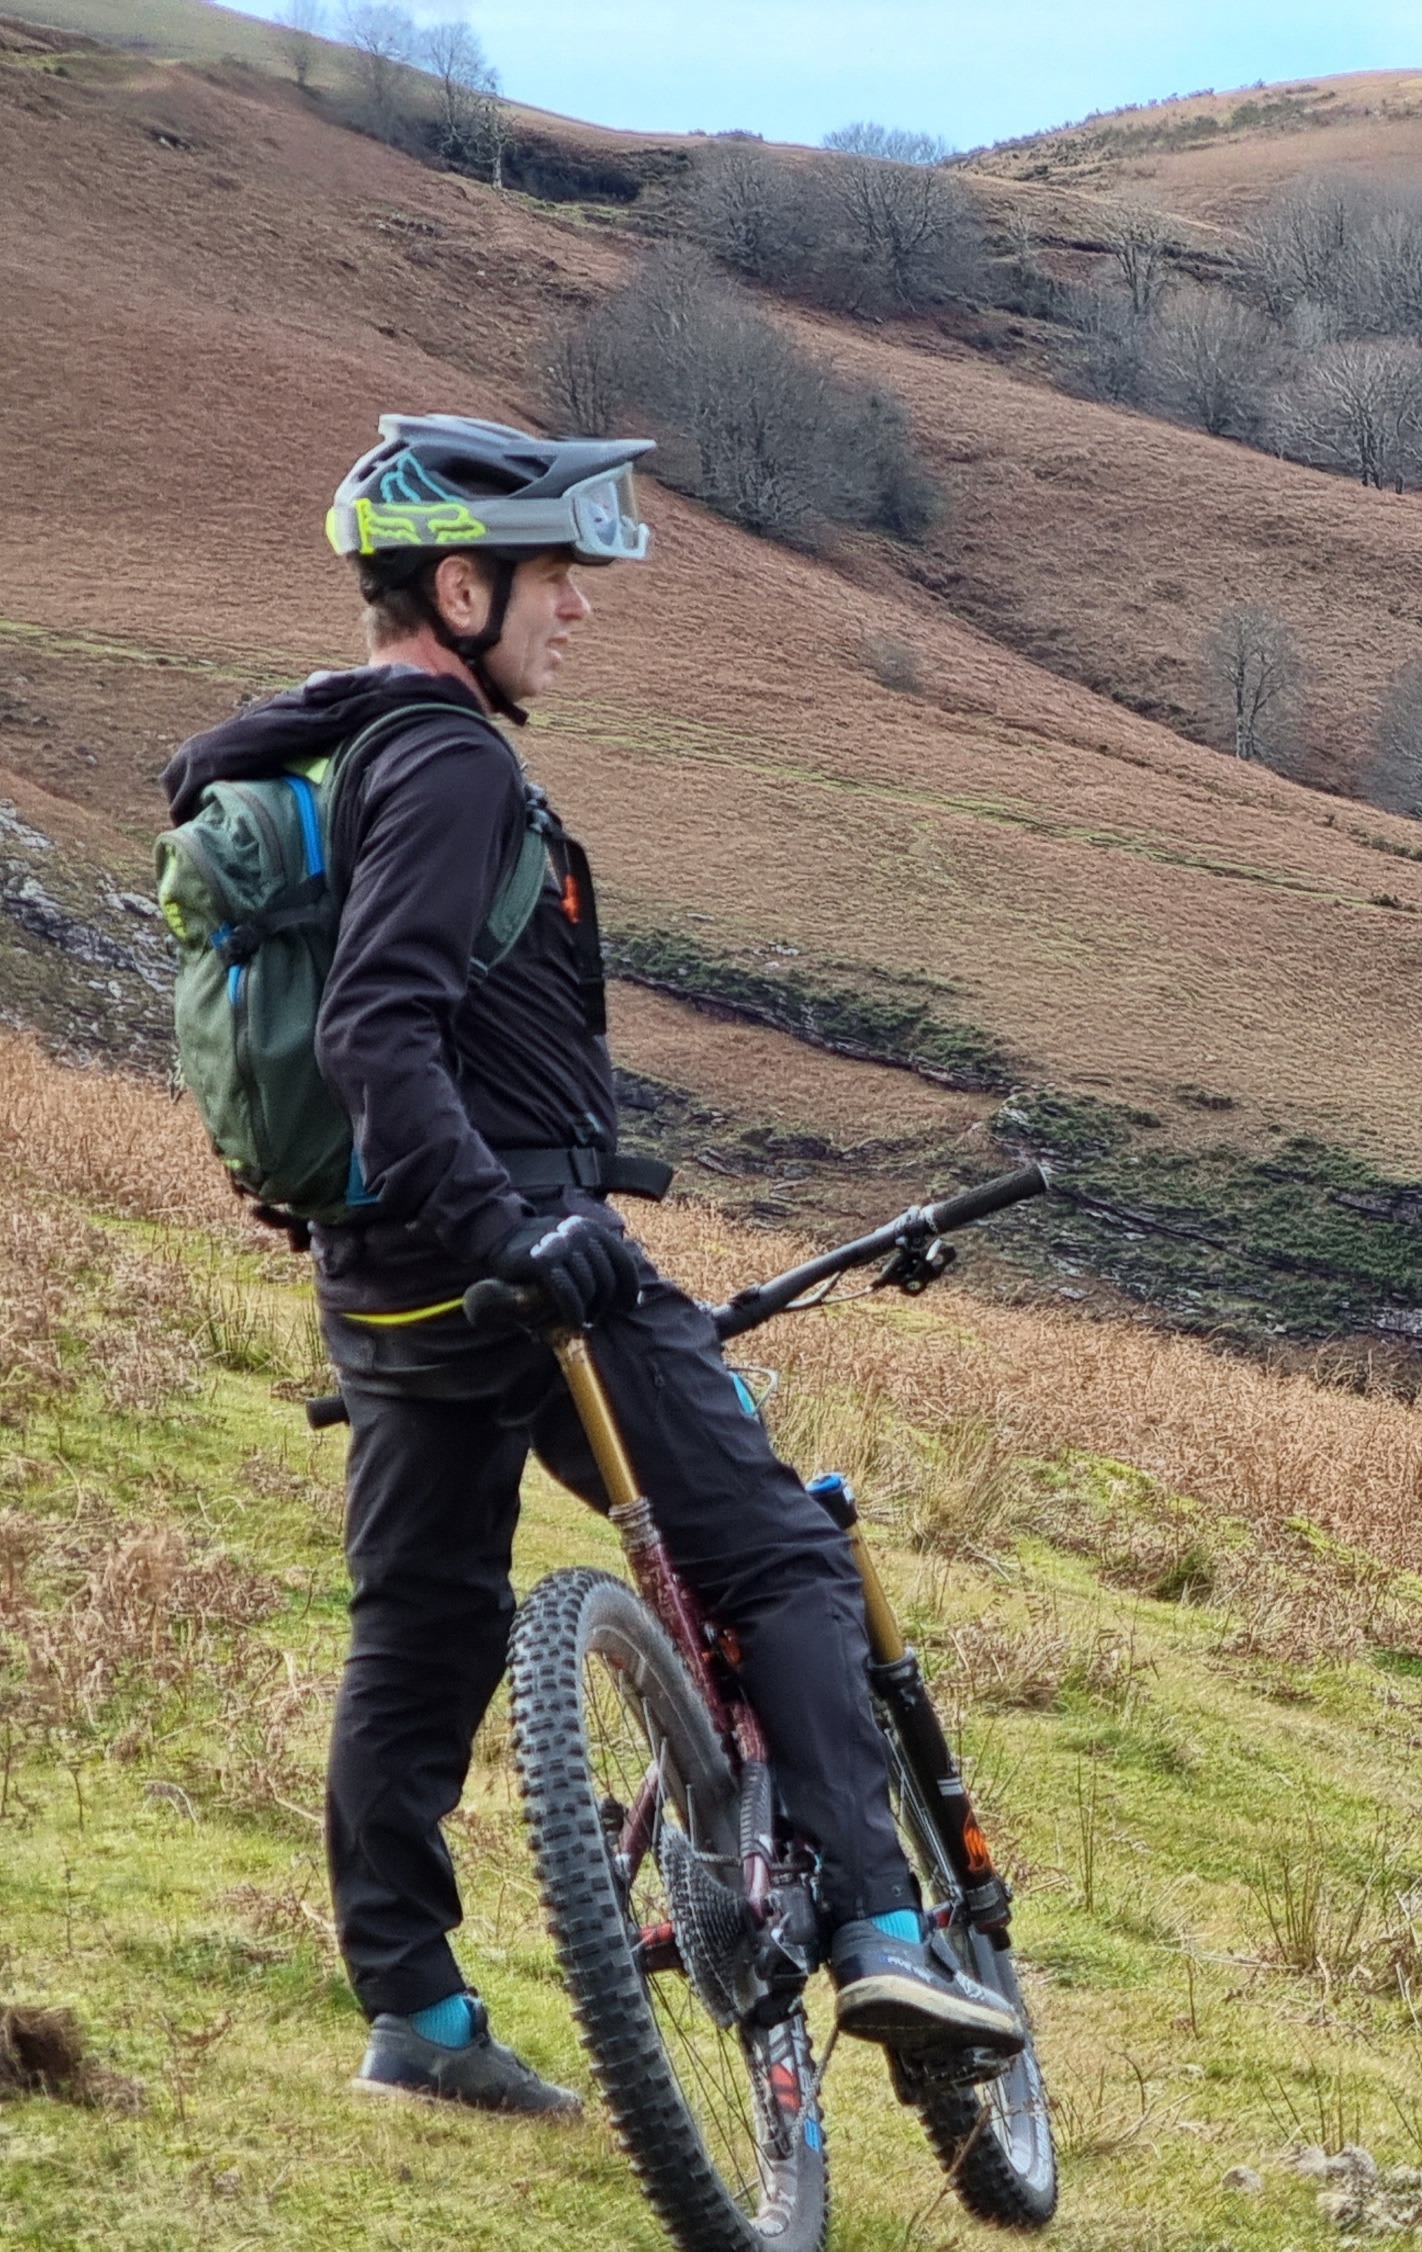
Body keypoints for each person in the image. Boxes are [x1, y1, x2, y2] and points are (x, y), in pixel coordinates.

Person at [159, 415, 1023, 2117]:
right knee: (781, 1552)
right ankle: (882, 1929)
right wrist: (517, 1229)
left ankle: (420, 2015)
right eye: (556, 574)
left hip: (383, 1276)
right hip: (523, 1257)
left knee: (420, 1630)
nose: (580, 607)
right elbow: (376, 1028)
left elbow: (348, 1040)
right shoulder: (453, 762)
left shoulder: (330, 750)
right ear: (459, 591)